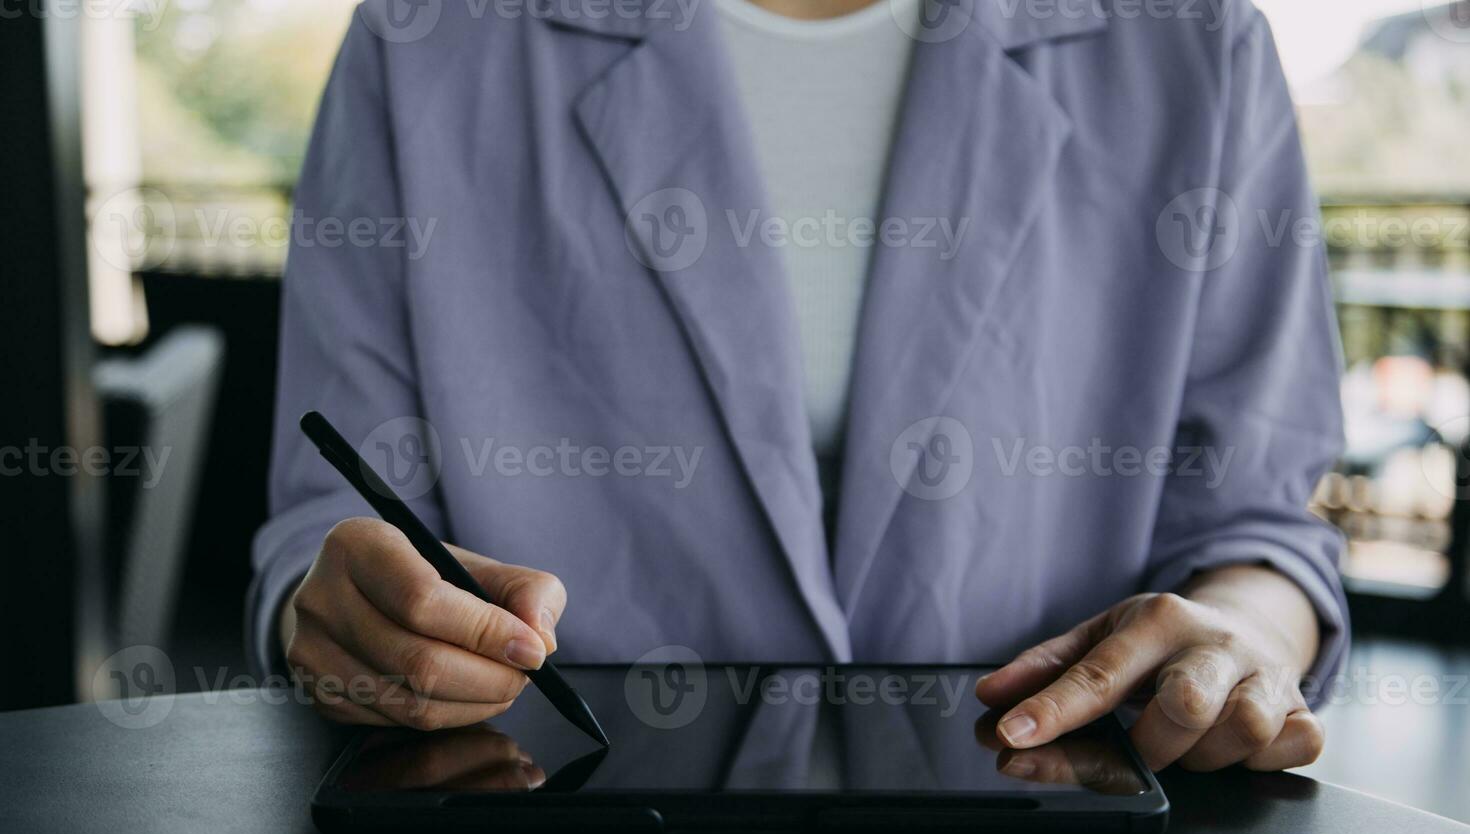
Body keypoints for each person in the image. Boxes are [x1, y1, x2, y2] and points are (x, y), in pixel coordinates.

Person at [251, 0, 1348, 773]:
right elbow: (328, 519)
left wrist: (1241, 637)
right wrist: (339, 612)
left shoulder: (1198, 40)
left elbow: (1255, 525)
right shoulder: (425, 36)